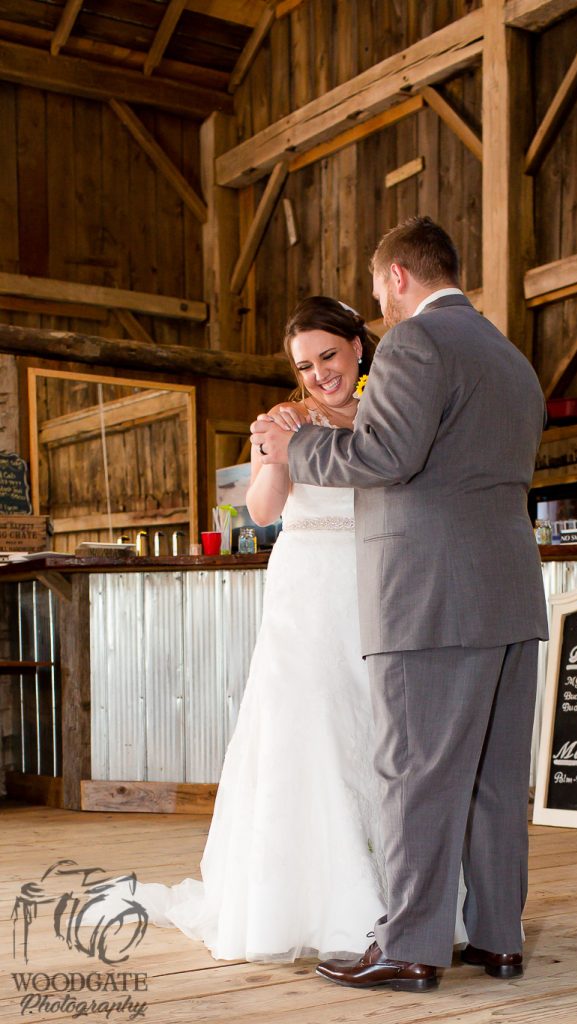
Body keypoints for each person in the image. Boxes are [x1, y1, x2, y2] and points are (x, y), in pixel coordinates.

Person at [251, 217, 549, 992]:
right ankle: (496, 937)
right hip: (508, 591)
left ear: (394, 278)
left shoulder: (418, 342)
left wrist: (295, 449)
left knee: (415, 771)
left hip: (429, 595)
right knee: (491, 776)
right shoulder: (510, 356)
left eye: (377, 291)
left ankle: (411, 945)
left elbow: (387, 456)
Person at [131, 295, 468, 963]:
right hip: (305, 590)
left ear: (358, 346)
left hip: (380, 583)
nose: (318, 375)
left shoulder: (390, 414)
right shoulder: (286, 420)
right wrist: (273, 451)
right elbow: (260, 512)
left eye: (328, 357)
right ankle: (313, 902)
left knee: (380, 736)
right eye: (304, 365)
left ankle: (399, 895)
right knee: (307, 732)